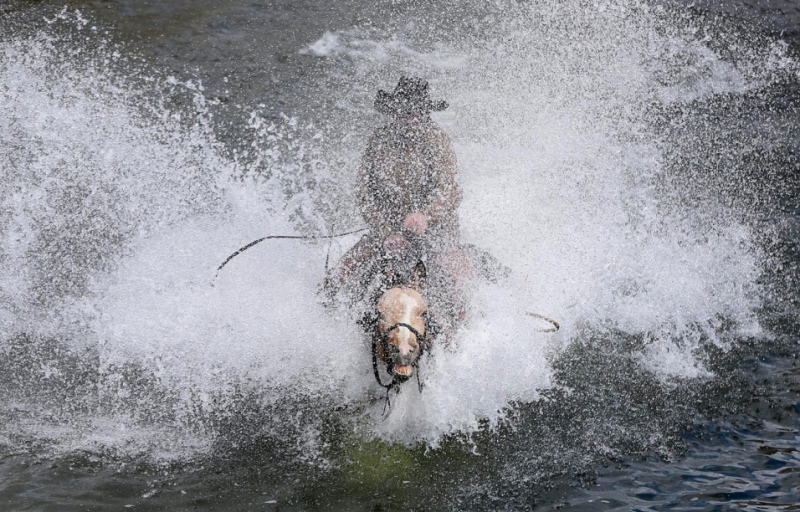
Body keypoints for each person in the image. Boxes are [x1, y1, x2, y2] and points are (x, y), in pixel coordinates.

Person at [323, 76, 472, 323]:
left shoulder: (438, 140)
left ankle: (472, 332)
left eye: (417, 113)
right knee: (338, 276)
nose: (412, 119)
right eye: (406, 113)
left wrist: (425, 215)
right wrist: (385, 231)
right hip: (390, 232)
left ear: (425, 113)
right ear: (395, 112)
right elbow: (365, 194)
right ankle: (327, 321)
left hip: (436, 232)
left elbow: (450, 192)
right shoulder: (378, 140)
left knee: (462, 289)